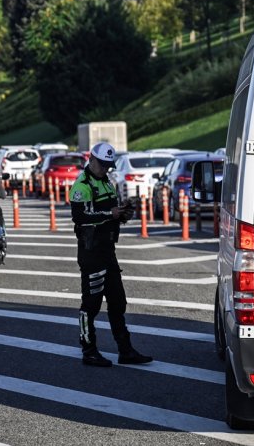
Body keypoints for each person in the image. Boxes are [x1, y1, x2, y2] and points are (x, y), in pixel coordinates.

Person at [69, 142, 152, 367]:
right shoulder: (82, 184)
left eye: (108, 165)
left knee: (118, 302)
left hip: (108, 251)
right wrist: (110, 213)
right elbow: (81, 217)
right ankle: (89, 350)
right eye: (102, 164)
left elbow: (111, 214)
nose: (105, 169)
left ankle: (125, 350)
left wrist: (124, 213)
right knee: (91, 305)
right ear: (91, 159)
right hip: (91, 251)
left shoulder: (106, 181)